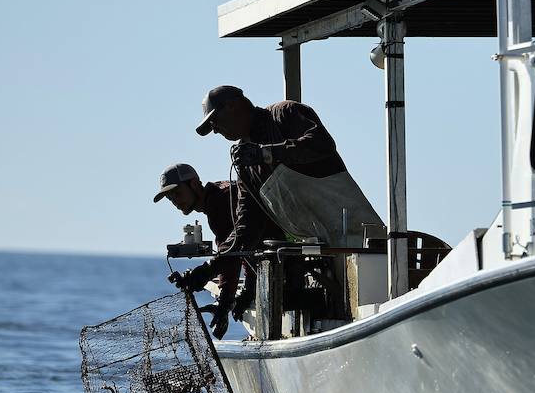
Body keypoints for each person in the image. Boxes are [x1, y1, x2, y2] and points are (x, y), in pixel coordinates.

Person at [195, 85, 379, 244]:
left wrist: (266, 153)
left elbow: (322, 144)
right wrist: (213, 266)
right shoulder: (246, 165)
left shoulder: (284, 114)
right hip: (317, 252)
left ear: (232, 106)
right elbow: (247, 225)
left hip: (361, 242)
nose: (216, 131)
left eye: (214, 122)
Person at [156, 163, 281, 338]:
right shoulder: (218, 195)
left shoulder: (220, 200)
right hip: (272, 261)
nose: (175, 202)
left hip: (282, 264)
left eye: (177, 193)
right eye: (170, 198)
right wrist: (246, 289)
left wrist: (221, 297)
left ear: (193, 184)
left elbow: (235, 249)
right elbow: (240, 250)